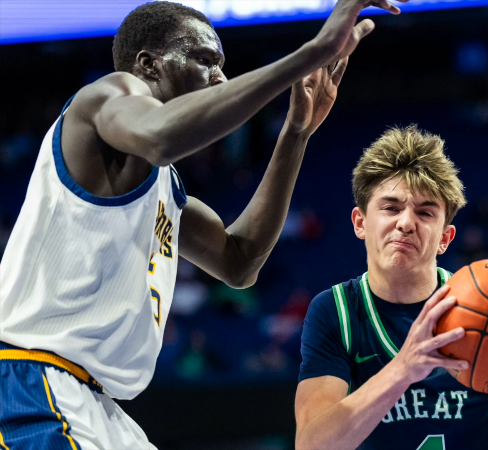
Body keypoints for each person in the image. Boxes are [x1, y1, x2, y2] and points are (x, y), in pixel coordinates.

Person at [0, 0, 409, 448]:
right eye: (205, 60)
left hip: (97, 405)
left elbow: (240, 261)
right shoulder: (104, 97)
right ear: (148, 65)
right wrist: (309, 55)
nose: (220, 79)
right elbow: (159, 136)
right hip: (33, 380)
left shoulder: (165, 187)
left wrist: (296, 132)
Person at [294, 125, 488, 449]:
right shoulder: (335, 311)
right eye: (391, 208)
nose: (406, 223)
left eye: (424, 212)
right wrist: (403, 370)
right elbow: (311, 444)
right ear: (360, 223)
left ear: (445, 238)